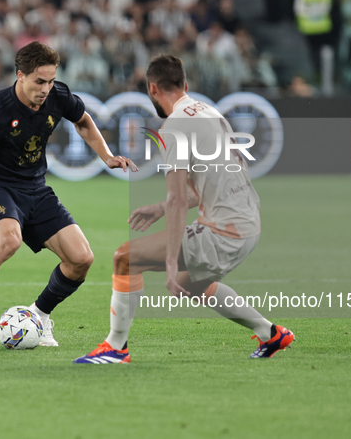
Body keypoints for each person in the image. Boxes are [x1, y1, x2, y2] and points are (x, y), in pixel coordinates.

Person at [74, 55, 294, 364]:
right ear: (185, 85)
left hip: (224, 230)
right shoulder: (210, 113)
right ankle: (271, 333)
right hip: (249, 223)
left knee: (125, 258)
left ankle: (115, 346)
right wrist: (161, 208)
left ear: (152, 89)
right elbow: (209, 183)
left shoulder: (174, 126)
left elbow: (179, 198)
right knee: (195, 283)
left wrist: (169, 259)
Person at [0, 41, 138, 351]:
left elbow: (83, 121)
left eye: (51, 80)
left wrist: (106, 156)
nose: (46, 88)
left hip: (35, 187)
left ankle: (39, 316)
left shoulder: (58, 97)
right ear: (20, 76)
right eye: (40, 81)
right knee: (8, 241)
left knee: (81, 259)